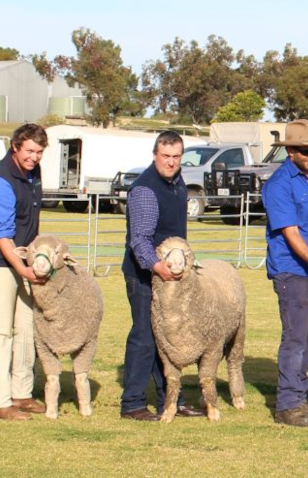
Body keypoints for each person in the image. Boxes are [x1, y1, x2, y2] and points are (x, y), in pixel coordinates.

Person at [120, 131, 202, 421]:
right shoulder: (146, 189)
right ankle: (132, 403)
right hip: (145, 275)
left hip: (171, 275)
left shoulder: (177, 183)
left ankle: (171, 400)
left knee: (170, 337)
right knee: (144, 336)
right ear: (155, 155)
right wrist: (157, 267)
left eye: (176, 157)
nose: (171, 162)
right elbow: (140, 239)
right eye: (165, 156)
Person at [261, 119, 308, 427]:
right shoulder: (278, 185)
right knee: (295, 336)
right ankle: (287, 404)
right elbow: (290, 232)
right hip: (292, 270)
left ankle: (299, 397)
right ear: (290, 150)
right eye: (305, 151)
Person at [0, 123, 49, 421]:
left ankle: (22, 393)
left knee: (26, 328)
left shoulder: (33, 174)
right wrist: (22, 269)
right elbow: (2, 234)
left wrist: (32, 263)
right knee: (0, 330)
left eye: (40, 152)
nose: (34, 157)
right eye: (29, 151)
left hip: (24, 261)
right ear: (15, 146)